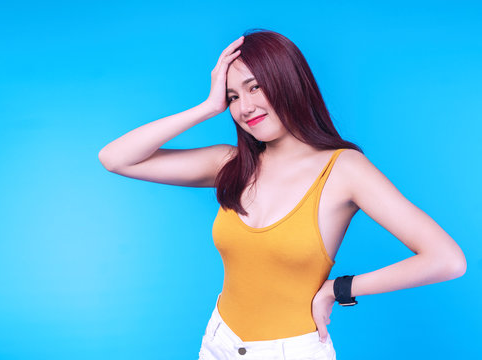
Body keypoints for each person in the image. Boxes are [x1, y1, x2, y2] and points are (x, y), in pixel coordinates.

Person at [98, 29, 467, 360]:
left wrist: (337, 289)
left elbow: (447, 259)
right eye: (232, 97)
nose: (245, 108)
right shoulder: (231, 163)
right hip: (218, 343)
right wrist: (207, 107)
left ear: (288, 81)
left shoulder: (344, 169)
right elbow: (115, 158)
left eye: (255, 87)